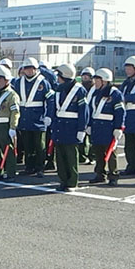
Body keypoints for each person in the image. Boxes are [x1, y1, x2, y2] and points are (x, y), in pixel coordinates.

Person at [49, 63, 88, 192]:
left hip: (72, 127)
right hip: (60, 126)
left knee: (71, 156)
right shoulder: (59, 89)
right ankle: (63, 180)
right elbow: (54, 107)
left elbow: (84, 111)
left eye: (59, 75)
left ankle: (72, 182)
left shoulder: (79, 90)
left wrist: (81, 129)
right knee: (60, 156)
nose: (57, 78)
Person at [14, 57, 53, 178]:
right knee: (27, 145)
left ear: (36, 69)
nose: (29, 71)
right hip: (24, 119)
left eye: (32, 69)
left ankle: (40, 167)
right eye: (27, 69)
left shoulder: (43, 82)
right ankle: (29, 167)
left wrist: (48, 116)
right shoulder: (18, 82)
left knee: (39, 145)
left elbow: (50, 100)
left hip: (38, 119)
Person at [88, 69, 125, 186]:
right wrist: (89, 124)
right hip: (97, 127)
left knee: (111, 153)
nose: (95, 82)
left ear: (104, 81)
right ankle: (99, 174)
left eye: (97, 80)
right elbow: (90, 110)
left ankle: (113, 175)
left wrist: (118, 128)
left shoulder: (115, 94)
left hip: (109, 128)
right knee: (98, 152)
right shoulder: (95, 92)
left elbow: (120, 112)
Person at [79, 66, 96, 164]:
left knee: (92, 138)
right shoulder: (80, 88)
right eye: (83, 76)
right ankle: (82, 156)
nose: (85, 78)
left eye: (87, 77)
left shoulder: (95, 89)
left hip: (93, 115)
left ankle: (92, 156)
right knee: (81, 137)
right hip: (83, 115)